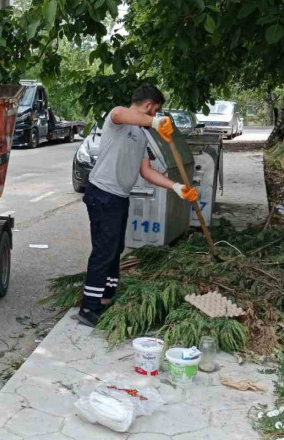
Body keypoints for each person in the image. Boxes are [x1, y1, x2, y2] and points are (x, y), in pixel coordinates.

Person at [78, 85, 198, 327]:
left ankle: (106, 297)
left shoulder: (142, 135)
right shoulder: (119, 118)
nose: (155, 117)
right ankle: (88, 307)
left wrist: (176, 187)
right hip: (102, 194)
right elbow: (120, 114)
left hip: (119, 197)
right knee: (103, 251)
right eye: (155, 112)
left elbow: (146, 171)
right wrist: (154, 123)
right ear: (148, 106)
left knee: (115, 249)